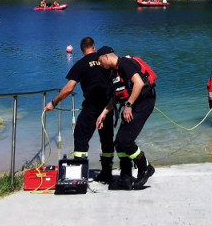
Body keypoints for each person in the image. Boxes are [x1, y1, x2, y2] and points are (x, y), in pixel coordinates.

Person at [44, 37, 116, 183]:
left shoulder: (81, 64)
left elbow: (69, 88)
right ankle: (107, 173)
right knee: (107, 139)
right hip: (108, 105)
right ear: (94, 46)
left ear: (82, 49)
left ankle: (80, 174)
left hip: (91, 106)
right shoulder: (104, 59)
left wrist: (54, 102)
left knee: (81, 137)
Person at [96, 47, 156, 190]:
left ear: (106, 57)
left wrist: (128, 105)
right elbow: (116, 97)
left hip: (144, 102)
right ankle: (126, 178)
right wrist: (103, 113)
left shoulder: (124, 64)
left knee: (126, 140)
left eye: (100, 61)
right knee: (119, 143)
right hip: (135, 104)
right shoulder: (113, 72)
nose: (100, 64)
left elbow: (139, 83)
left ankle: (145, 167)